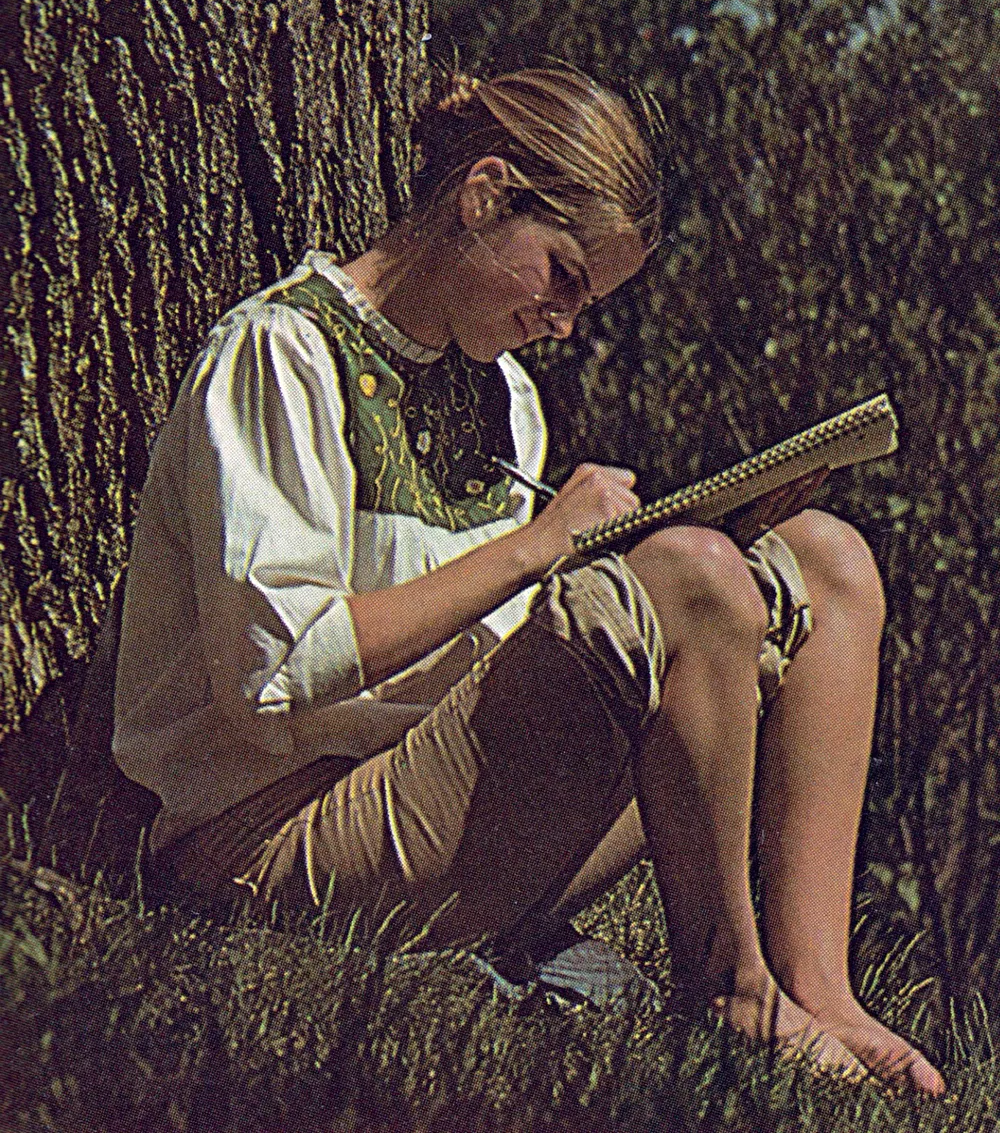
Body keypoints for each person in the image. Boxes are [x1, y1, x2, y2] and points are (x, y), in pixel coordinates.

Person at [112, 65, 944, 1095]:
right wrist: (537, 549)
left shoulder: (502, 396)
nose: (563, 321)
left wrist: (691, 562)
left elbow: (506, 657)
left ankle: (817, 985)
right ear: (483, 195)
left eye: (585, 299)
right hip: (275, 841)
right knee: (688, 579)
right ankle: (729, 992)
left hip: (442, 807)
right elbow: (270, 672)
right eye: (560, 274)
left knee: (827, 560)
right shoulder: (281, 354)